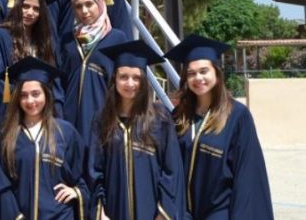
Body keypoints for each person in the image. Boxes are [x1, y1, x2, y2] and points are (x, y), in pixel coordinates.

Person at [165, 35, 275, 219]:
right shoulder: (180, 116)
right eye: (191, 73)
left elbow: (247, 175)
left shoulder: (237, 116)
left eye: (204, 71)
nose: (198, 78)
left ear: (216, 73)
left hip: (219, 213)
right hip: (183, 213)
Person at [89, 41, 185, 220]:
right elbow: (95, 170)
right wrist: (100, 211)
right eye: (123, 77)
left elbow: (171, 171)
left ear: (144, 81)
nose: (130, 83)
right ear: (114, 79)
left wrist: (163, 213)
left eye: (136, 78)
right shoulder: (102, 119)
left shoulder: (159, 119)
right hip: (114, 212)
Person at [0, 57, 88, 220]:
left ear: (46, 95)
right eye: (23, 95)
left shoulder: (65, 132)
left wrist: (77, 192)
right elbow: (1, 186)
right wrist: (16, 216)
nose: (30, 101)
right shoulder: (6, 137)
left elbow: (83, 175)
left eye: (36, 94)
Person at [0, 0, 58, 137]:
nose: (30, 12)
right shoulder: (0, 37)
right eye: (25, 6)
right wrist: (23, 105)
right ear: (16, 5)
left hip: (41, 118)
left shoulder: (44, 41)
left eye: (36, 8)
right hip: (11, 119)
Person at [57, 0, 128, 142]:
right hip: (71, 118)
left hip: (103, 117)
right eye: (78, 6)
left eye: (89, 4)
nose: (84, 11)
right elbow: (60, 79)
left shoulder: (116, 38)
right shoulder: (67, 40)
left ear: (101, 3)